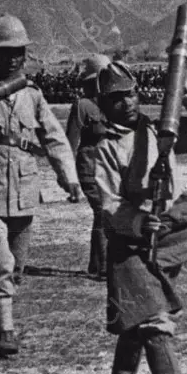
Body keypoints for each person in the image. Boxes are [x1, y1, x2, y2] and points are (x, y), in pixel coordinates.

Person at [94, 61, 187, 374]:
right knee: (152, 319)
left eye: (130, 94)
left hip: (169, 236)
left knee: (141, 312)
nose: (127, 103)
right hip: (130, 244)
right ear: (104, 104)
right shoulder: (104, 147)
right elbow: (107, 202)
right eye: (116, 99)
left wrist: (184, 92)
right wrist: (135, 221)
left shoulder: (159, 131)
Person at [0, 15, 81, 357]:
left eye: (17, 51)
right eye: (4, 52)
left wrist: (68, 178)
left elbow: (55, 138)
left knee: (18, 263)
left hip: (25, 189)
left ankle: (3, 318)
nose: (12, 58)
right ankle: (4, 330)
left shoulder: (33, 95)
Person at [66, 54, 112, 280]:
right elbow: (70, 143)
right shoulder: (82, 106)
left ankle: (96, 264)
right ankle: (104, 268)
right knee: (103, 213)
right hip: (89, 168)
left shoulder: (111, 104)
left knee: (102, 214)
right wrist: (69, 177)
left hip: (109, 168)